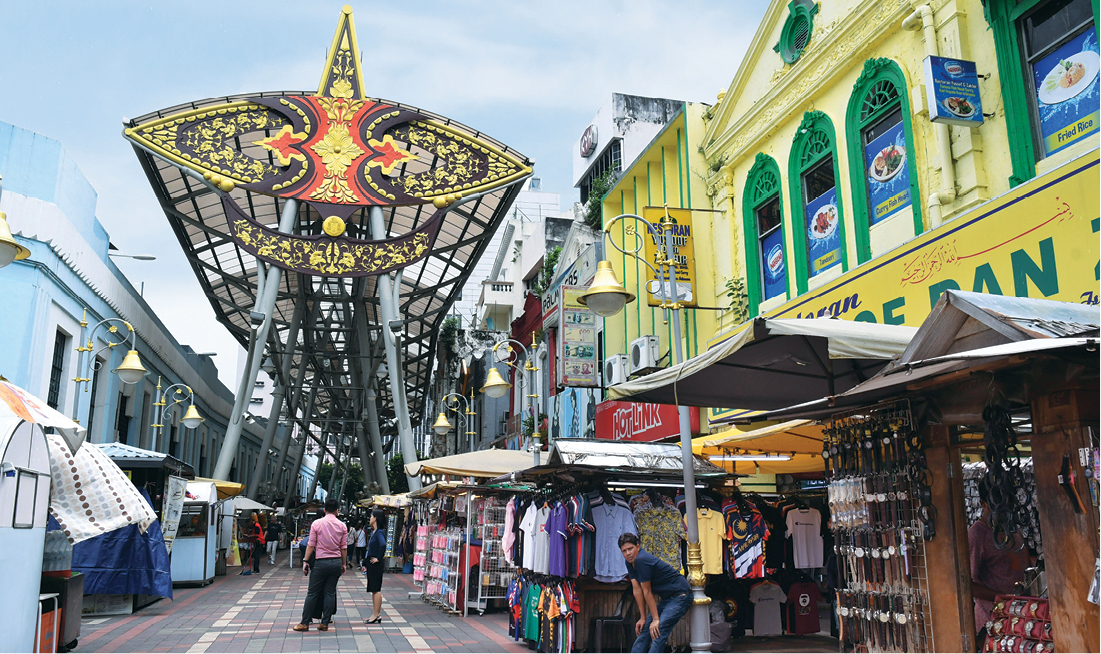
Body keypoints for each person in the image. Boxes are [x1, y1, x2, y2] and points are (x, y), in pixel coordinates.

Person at [969, 478, 1029, 648]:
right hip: (993, 622)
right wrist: (1004, 598)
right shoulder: (977, 535)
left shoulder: (1012, 529)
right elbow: (968, 584)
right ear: (983, 503)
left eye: (1007, 503)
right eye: (997, 504)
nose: (1004, 509)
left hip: (1020, 616)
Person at [619, 532, 691, 653]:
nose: (628, 553)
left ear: (638, 546)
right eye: (624, 551)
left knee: (658, 630)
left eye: (630, 549)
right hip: (667, 599)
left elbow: (647, 591)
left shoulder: (641, 560)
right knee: (645, 629)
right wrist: (642, 618)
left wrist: (656, 620)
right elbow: (637, 590)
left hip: (681, 595)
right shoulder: (629, 562)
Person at [294, 498, 348, 632]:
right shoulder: (342, 526)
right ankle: (325, 623)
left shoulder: (317, 524)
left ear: (324, 510)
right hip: (335, 562)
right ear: (337, 511)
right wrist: (344, 563)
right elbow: (344, 548)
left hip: (321, 562)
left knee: (312, 593)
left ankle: (304, 623)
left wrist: (306, 561)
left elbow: (311, 544)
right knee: (330, 592)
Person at [362, 509, 387, 624]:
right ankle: (376, 613)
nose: (370, 518)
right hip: (371, 563)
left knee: (376, 589)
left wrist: (378, 557)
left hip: (375, 564)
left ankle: (376, 614)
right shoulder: (374, 532)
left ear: (375, 518)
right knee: (373, 589)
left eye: (371, 516)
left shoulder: (380, 532)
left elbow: (383, 544)